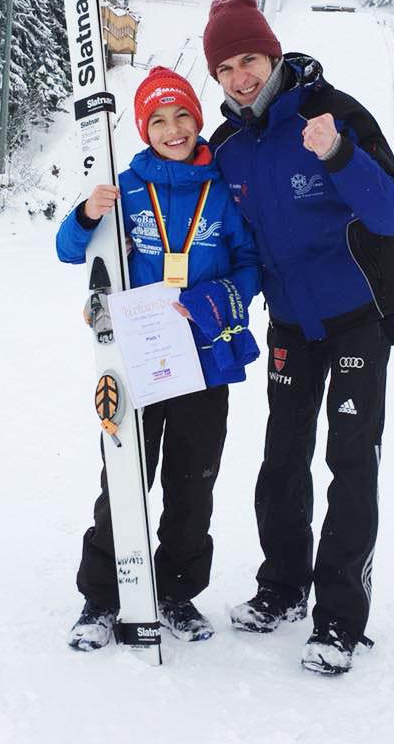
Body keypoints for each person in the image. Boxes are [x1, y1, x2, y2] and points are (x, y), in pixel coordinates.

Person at [203, 0, 394, 676]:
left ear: (271, 53)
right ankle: (283, 588)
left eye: (248, 59)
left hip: (357, 319)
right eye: (225, 68)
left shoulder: (335, 113)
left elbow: (393, 213)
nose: (240, 77)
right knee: (282, 457)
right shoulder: (228, 147)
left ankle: (339, 621)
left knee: (350, 466)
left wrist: (342, 155)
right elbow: (218, 235)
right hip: (290, 320)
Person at [56, 66, 260, 650]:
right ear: (145, 129)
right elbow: (70, 250)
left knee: (193, 484)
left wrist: (214, 300)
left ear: (199, 120)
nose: (173, 129)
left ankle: (174, 592)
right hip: (136, 361)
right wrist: (89, 214)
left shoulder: (223, 191)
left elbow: (249, 266)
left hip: (205, 362)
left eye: (182, 116)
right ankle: (101, 597)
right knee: (122, 477)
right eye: (158, 120)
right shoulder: (123, 189)